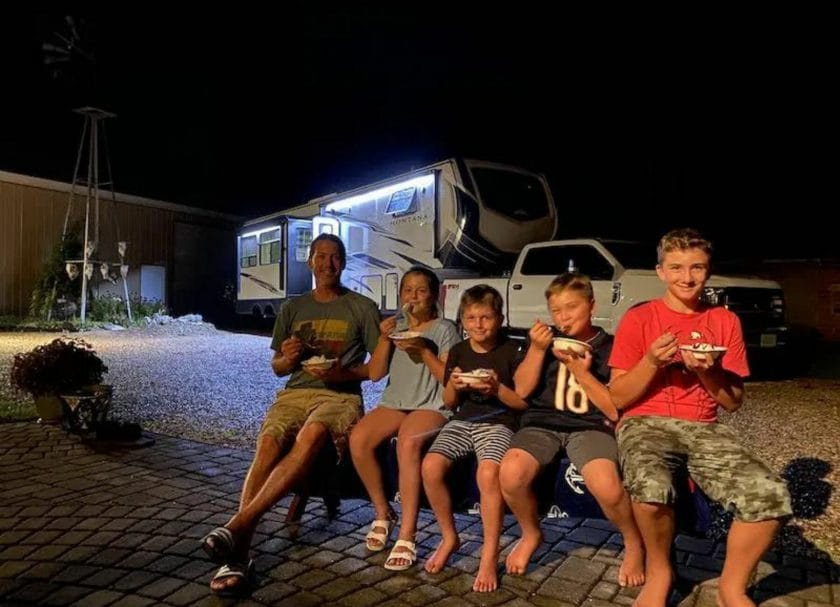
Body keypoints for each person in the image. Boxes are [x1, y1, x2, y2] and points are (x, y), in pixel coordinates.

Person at [608, 228, 792, 607]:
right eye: (675, 268)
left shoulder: (725, 322)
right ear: (659, 271)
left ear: (709, 271)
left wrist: (708, 371)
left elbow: (734, 402)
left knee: (771, 496)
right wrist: (652, 361)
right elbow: (617, 396)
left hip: (703, 424)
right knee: (649, 486)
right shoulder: (639, 319)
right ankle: (660, 572)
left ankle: (732, 586)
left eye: (696, 268)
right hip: (645, 421)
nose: (686, 278)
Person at [201, 233, 381, 596]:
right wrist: (288, 354)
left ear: (343, 264)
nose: (328, 264)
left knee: (313, 434)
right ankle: (239, 548)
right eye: (321, 257)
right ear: (310, 261)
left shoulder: (362, 307)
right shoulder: (292, 308)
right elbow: (279, 368)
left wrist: (341, 374)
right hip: (296, 391)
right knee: (268, 443)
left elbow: (376, 369)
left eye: (335, 257)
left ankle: (237, 532)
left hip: (340, 396)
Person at [499, 272, 645, 586]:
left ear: (591, 305)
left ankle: (634, 541)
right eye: (556, 310)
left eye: (571, 308)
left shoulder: (611, 347)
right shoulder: (542, 341)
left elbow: (611, 407)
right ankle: (531, 533)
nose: (563, 317)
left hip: (590, 425)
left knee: (607, 485)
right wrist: (538, 350)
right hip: (542, 423)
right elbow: (522, 390)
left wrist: (582, 370)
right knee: (510, 474)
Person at [349, 267, 460, 571]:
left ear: (434, 296)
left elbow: (449, 379)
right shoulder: (394, 326)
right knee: (358, 439)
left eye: (421, 291)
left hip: (432, 403)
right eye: (407, 291)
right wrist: (384, 339)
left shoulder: (444, 329)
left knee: (408, 442)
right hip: (395, 401)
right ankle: (383, 512)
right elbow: (375, 374)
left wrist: (424, 350)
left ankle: (408, 533)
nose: (413, 297)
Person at [421, 284, 527, 592]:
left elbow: (521, 402)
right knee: (430, 466)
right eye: (471, 318)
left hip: (499, 422)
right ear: (462, 321)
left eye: (486, 317)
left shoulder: (511, 350)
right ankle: (449, 537)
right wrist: (455, 383)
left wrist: (496, 390)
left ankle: (489, 554)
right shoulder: (458, 351)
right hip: (463, 420)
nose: (478, 325)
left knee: (488, 472)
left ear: (500, 318)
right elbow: (450, 402)